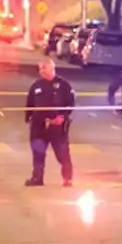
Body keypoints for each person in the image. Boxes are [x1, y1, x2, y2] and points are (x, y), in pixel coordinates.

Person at [24, 58, 76, 187]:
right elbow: (30, 104)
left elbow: (70, 104)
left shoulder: (64, 85)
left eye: (43, 68)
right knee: (38, 153)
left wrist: (62, 117)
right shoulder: (36, 86)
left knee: (62, 154)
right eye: (40, 68)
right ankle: (37, 178)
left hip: (56, 127)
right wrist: (29, 119)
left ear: (51, 68)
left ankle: (67, 178)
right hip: (39, 126)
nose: (41, 71)